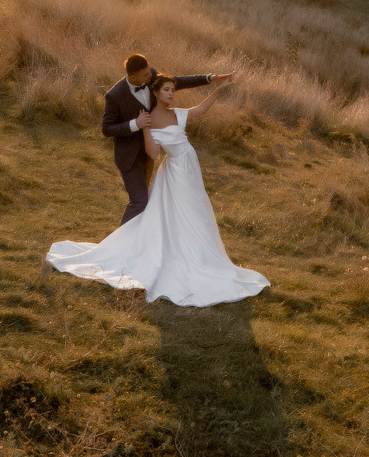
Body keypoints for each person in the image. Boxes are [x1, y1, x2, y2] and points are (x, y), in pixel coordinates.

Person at [47, 75, 268, 306]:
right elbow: (153, 153)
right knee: (184, 213)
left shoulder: (176, 113)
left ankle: (201, 253)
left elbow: (201, 109)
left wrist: (220, 88)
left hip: (190, 168)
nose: (171, 94)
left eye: (173, 90)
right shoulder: (150, 118)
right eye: (166, 90)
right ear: (157, 93)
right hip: (175, 172)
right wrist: (144, 128)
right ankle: (182, 254)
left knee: (198, 211)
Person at [102, 53, 230, 225]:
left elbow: (177, 82)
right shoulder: (115, 95)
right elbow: (107, 128)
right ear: (133, 77)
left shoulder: (151, 78)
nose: (150, 76)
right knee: (140, 201)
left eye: (149, 72)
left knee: (146, 201)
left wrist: (211, 78)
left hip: (149, 153)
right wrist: (136, 124)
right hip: (129, 156)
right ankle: (119, 244)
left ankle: (141, 240)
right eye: (146, 75)